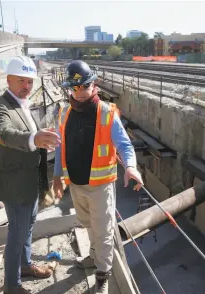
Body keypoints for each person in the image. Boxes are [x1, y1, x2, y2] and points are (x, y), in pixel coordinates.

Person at [53, 60, 144, 294]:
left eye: (84, 87)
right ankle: (94, 257)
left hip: (100, 186)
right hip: (76, 184)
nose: (79, 93)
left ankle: (103, 275)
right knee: (87, 224)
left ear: (94, 85)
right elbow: (60, 147)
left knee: (103, 231)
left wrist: (131, 167)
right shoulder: (65, 113)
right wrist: (57, 177)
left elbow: (124, 145)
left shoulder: (106, 113)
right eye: (75, 88)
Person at [0, 56, 61, 294]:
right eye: (21, 80)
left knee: (28, 226)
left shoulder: (22, 104)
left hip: (30, 182)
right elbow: (4, 133)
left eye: (30, 81)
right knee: (16, 234)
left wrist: (40, 138)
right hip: (14, 184)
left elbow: (29, 137)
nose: (27, 86)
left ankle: (26, 266)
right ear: (8, 79)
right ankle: (12, 286)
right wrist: (32, 138)